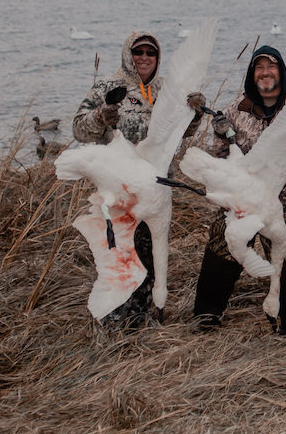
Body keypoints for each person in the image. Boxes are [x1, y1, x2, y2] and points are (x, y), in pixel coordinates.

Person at [192, 45, 286, 334]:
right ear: (252, 75)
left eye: (272, 67)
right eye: (260, 68)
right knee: (221, 250)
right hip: (241, 200)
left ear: (281, 72)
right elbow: (222, 158)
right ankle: (206, 317)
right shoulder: (235, 111)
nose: (266, 73)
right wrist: (220, 134)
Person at [72, 30, 206, 328]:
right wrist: (99, 118)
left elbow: (182, 132)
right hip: (119, 192)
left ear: (158, 57)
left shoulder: (166, 90)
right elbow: (79, 130)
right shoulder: (108, 88)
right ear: (127, 53)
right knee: (120, 255)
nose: (144, 58)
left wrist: (195, 113)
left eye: (151, 53)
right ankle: (114, 322)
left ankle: (146, 320)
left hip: (156, 193)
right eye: (139, 51)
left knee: (150, 257)